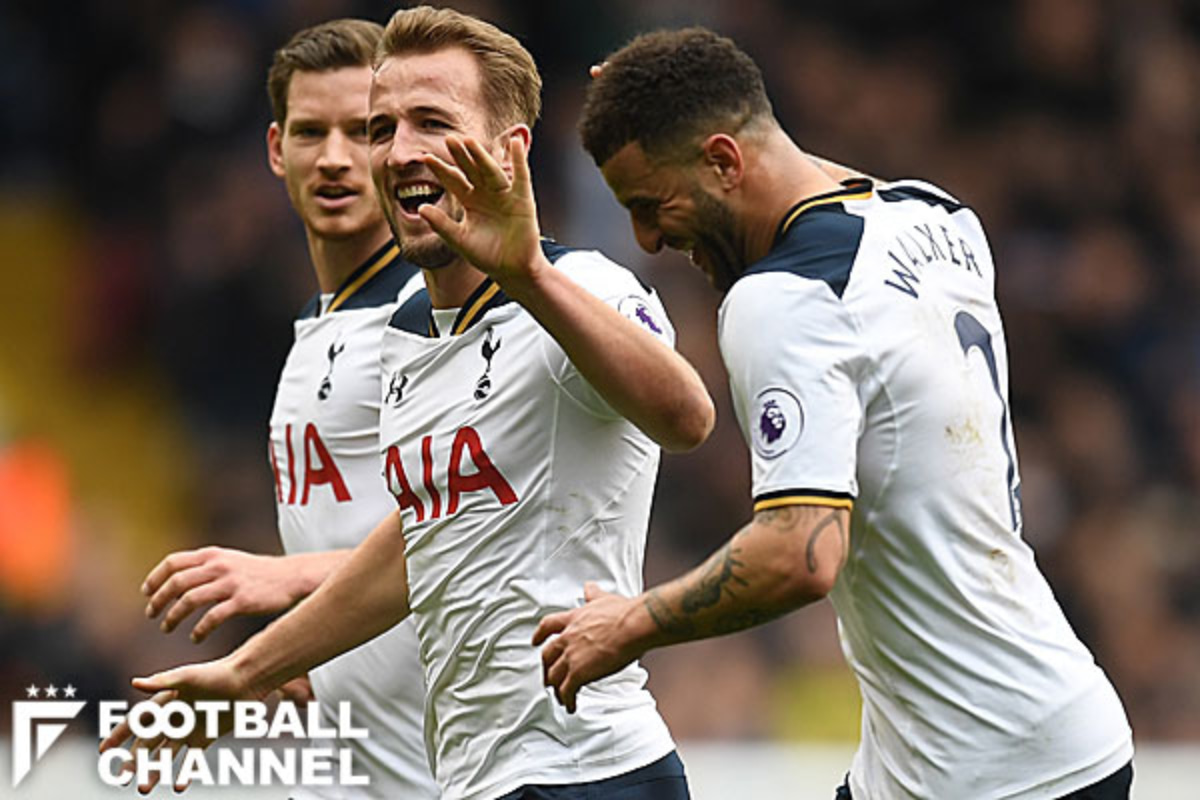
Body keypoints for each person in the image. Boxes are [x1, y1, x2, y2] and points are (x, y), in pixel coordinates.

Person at [103, 7, 713, 800]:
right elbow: (420, 547)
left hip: (586, 769)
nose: (396, 151)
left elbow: (687, 418)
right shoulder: (408, 332)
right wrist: (247, 670)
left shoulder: (582, 286)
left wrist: (529, 274)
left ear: (508, 149)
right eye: (383, 128)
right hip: (475, 778)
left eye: (431, 122)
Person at [534, 27, 1135, 799]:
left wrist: (631, 623)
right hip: (1007, 740)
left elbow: (801, 554)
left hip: (995, 776)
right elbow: (810, 174)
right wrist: (663, 87)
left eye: (652, 205)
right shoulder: (940, 217)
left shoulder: (783, 301)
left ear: (724, 161)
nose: (647, 240)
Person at [133, 19, 437, 798]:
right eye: (310, 132)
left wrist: (284, 581)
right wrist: (308, 669)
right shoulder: (316, 325)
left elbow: (469, 541)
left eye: (361, 132)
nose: (333, 157)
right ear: (276, 150)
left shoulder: (439, 319)